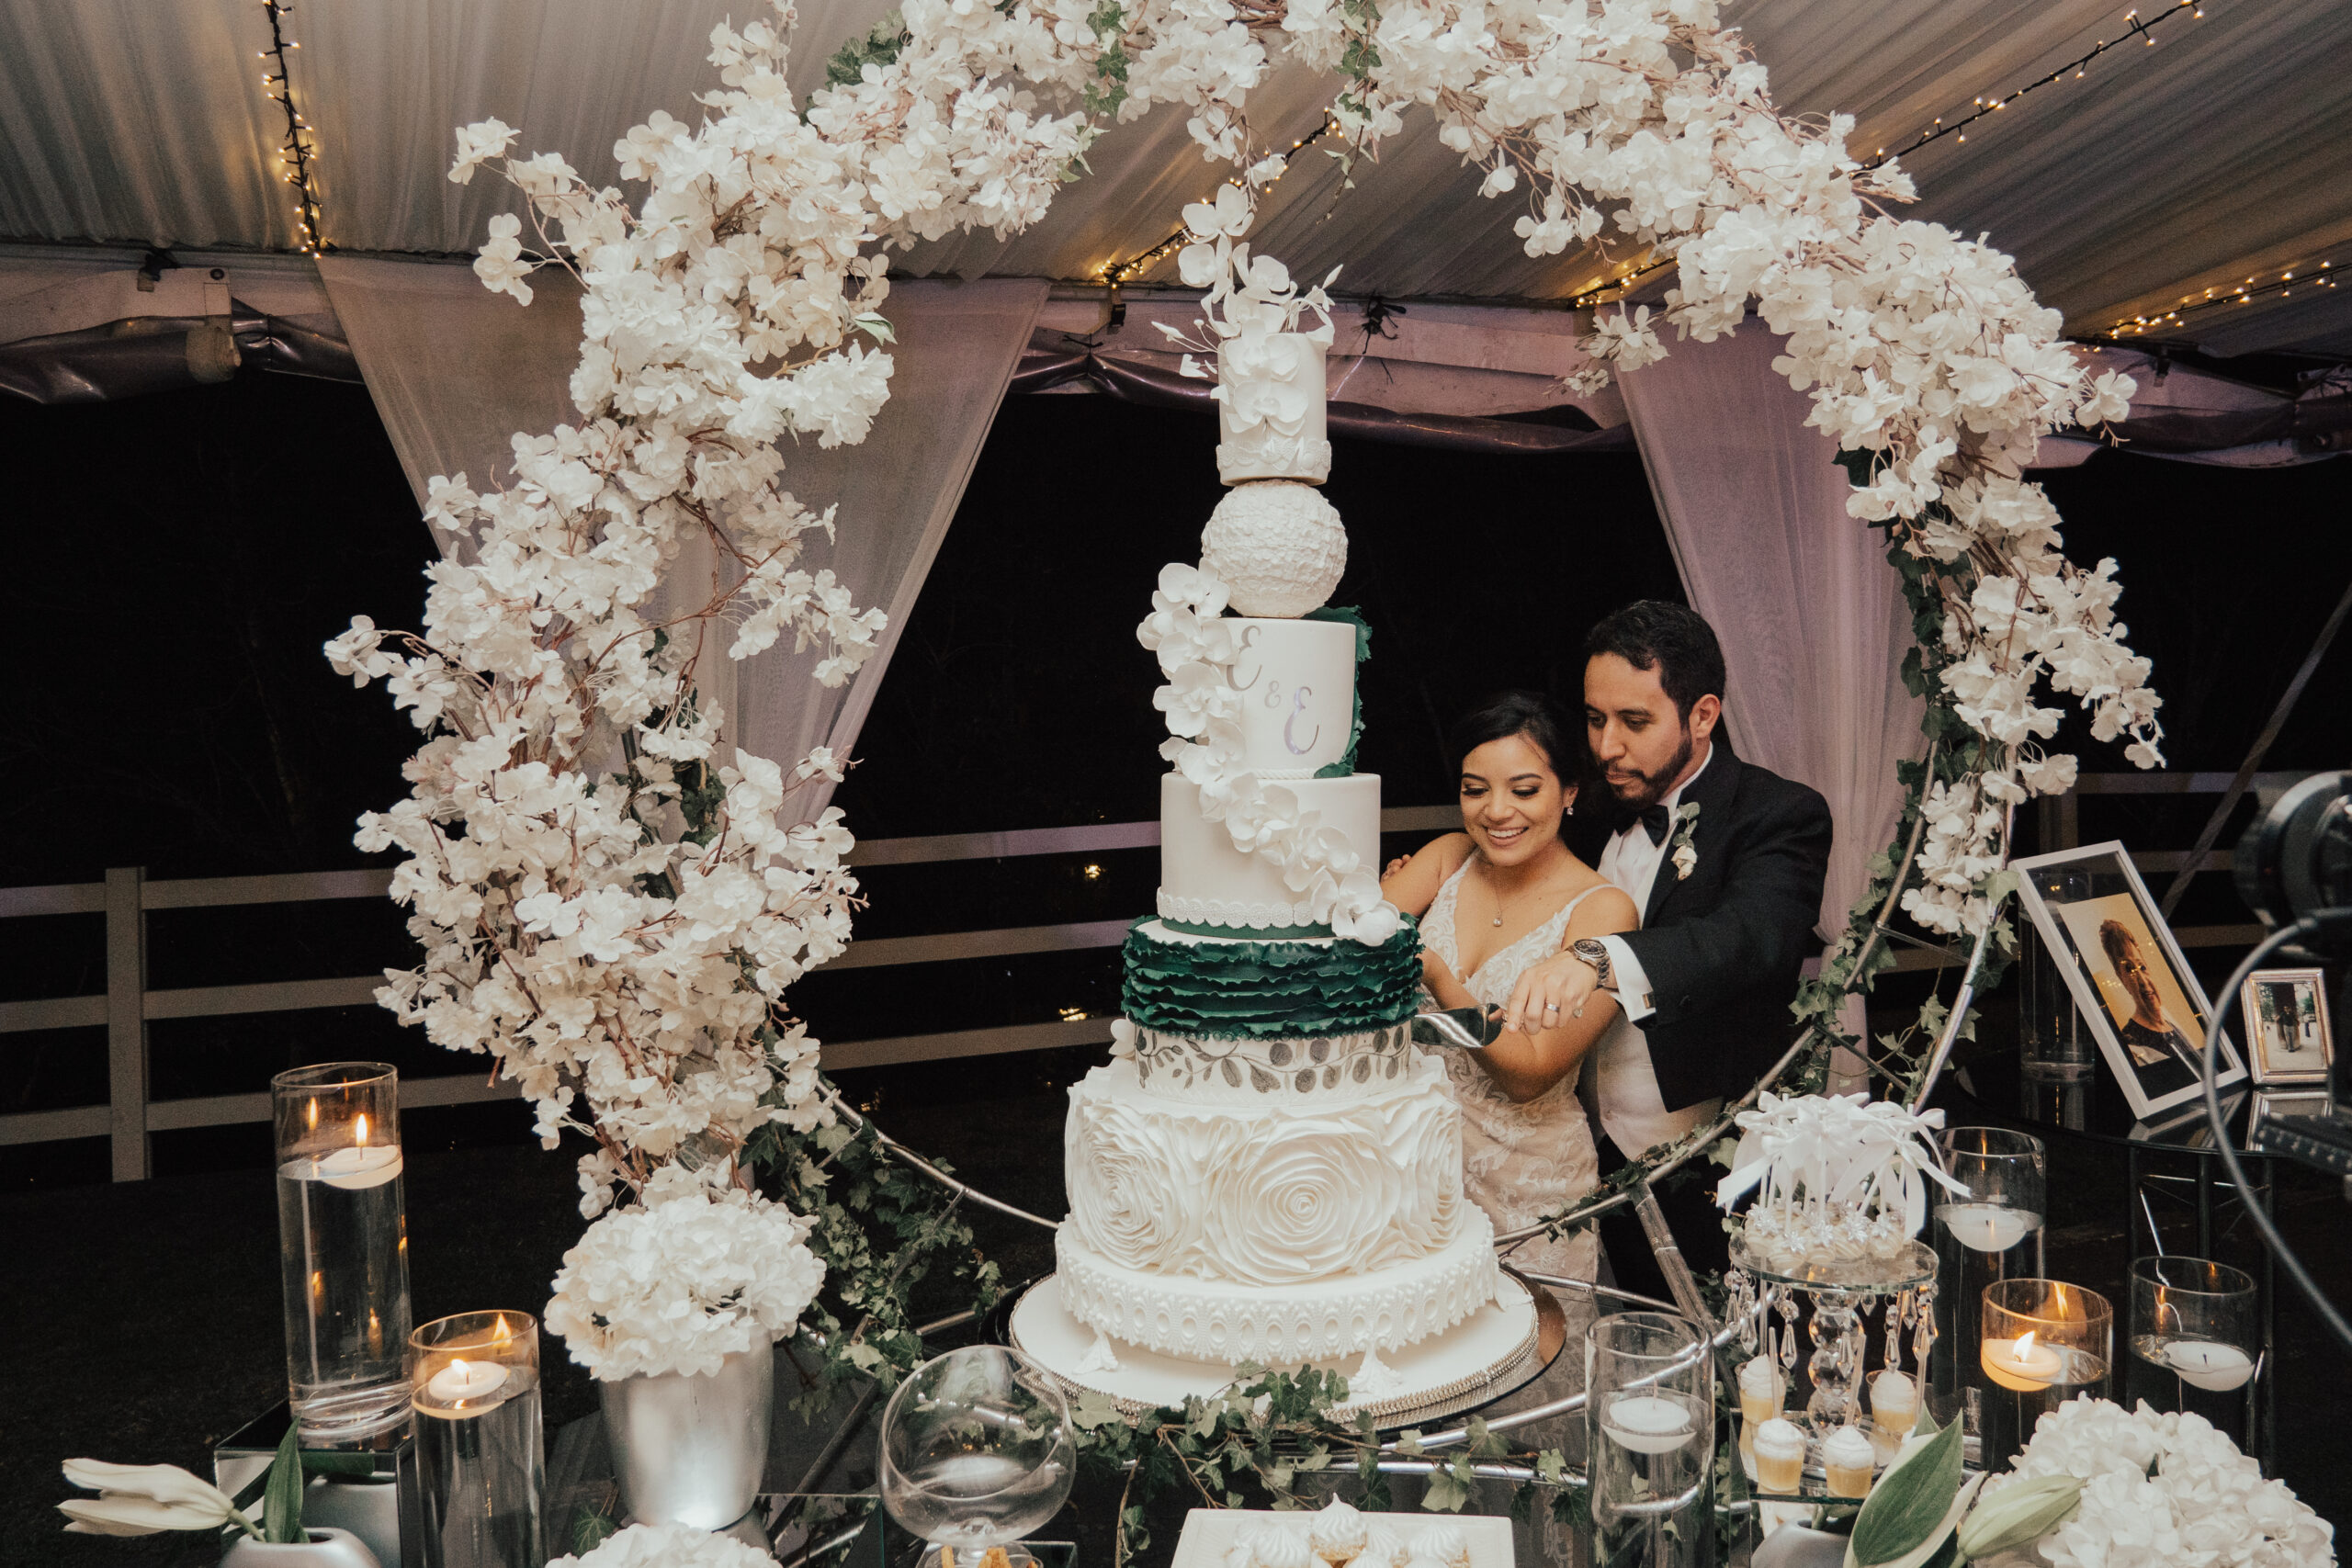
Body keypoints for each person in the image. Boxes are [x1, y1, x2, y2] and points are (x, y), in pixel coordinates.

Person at [1502, 602, 1831, 1303]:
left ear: (1704, 714)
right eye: (1595, 719)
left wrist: (1596, 958)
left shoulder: (1779, 812)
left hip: (1713, 1166)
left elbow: (1749, 939)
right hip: (1590, 1158)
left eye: (1634, 721)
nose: (1607, 747)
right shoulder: (1592, 811)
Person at [1380, 690, 1636, 1288]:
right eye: (1476, 789)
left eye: (1524, 790)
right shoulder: (1448, 859)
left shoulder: (1603, 910)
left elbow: (1529, 1071)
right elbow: (1345, 959)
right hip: (1409, 1171)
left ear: (1570, 790)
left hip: (1528, 1189)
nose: (1497, 810)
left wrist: (1438, 976)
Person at [2097, 919, 2199, 1100]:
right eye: (2129, 969)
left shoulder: (2171, 1024)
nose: (2143, 981)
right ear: (2120, 978)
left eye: (2142, 967)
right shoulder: (2132, 1041)